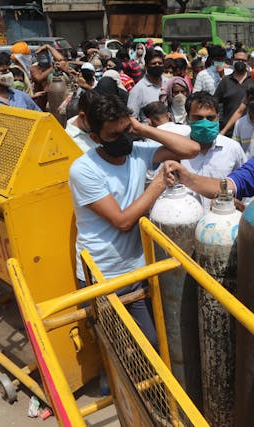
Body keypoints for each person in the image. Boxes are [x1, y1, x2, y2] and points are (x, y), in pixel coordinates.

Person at [68, 95, 199, 346]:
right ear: (95, 138)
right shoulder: (83, 169)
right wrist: (159, 183)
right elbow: (122, 221)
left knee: (149, 342)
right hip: (103, 274)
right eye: (114, 135)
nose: (124, 139)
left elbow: (191, 149)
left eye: (126, 130)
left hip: (137, 271)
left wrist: (139, 128)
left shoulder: (137, 152)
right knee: (114, 346)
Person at [179, 91, 247, 210]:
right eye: (198, 118)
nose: (205, 123)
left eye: (210, 118)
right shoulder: (177, 151)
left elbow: (246, 184)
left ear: (218, 118)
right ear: (188, 119)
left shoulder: (232, 148)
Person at [214, 48, 251, 134]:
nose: (240, 62)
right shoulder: (225, 81)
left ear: (247, 62)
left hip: (250, 130)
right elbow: (215, 103)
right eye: (237, 59)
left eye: (243, 60)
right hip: (229, 130)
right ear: (232, 60)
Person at [127, 48, 167, 122]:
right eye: (154, 64)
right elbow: (132, 118)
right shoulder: (138, 89)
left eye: (160, 63)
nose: (157, 65)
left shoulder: (168, 83)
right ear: (146, 67)